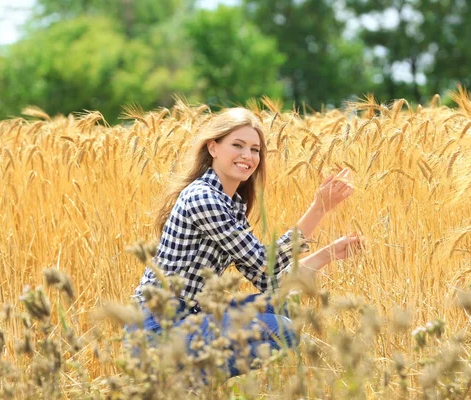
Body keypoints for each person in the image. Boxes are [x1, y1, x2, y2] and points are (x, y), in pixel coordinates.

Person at [130, 107, 365, 378]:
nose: (248, 156)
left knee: (281, 307)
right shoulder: (203, 198)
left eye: (255, 150)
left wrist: (328, 255)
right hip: (158, 329)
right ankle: (179, 384)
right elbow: (265, 264)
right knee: (283, 328)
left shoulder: (232, 205)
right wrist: (318, 208)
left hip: (189, 321)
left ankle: (184, 385)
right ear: (213, 147)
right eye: (237, 145)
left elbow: (271, 282)